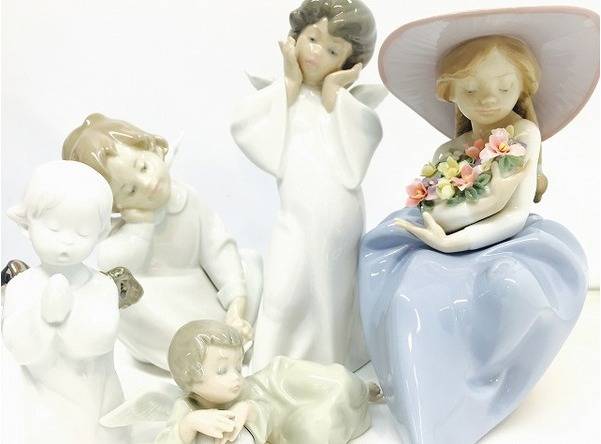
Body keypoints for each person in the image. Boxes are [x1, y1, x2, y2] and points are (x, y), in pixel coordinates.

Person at [359, 7, 598, 443]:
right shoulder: (450, 150)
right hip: (441, 238)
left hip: (503, 240)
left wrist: (455, 242)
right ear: (449, 93)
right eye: (470, 89)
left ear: (522, 87)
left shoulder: (523, 135)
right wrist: (439, 231)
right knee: (406, 288)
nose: (488, 99)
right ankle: (413, 389)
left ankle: (480, 387)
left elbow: (513, 214)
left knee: (512, 287)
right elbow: (430, 201)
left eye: (503, 86)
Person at [231, 0, 386, 371]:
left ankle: (331, 361)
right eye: (313, 39)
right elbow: (246, 127)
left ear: (349, 64)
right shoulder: (282, 96)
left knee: (331, 287)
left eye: (333, 51)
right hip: (297, 213)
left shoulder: (343, 106)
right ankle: (271, 363)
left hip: (341, 212)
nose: (317, 53)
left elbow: (356, 162)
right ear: (295, 36)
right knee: (284, 287)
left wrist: (333, 93)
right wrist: (289, 83)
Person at [63, 113, 261, 370]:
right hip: (165, 311)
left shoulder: (186, 199)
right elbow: (113, 266)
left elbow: (217, 249)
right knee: (128, 300)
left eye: (143, 167)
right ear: (115, 206)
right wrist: (141, 227)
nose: (147, 184)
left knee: (249, 266)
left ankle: (234, 334)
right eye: (130, 190)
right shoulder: (122, 239)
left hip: (205, 290)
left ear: (154, 149)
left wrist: (236, 303)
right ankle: (196, 356)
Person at [3, 160, 129, 443]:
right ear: (26, 225)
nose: (66, 241)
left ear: (101, 234)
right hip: (41, 401)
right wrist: (44, 317)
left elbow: (100, 340)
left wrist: (63, 313)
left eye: (82, 232)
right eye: (53, 228)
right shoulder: (22, 286)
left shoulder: (102, 285)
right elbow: (20, 350)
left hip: (96, 399)